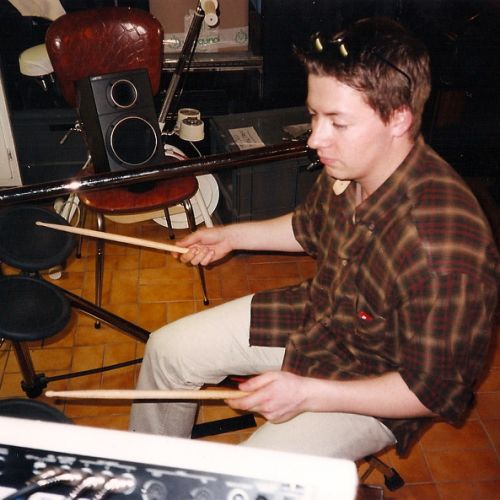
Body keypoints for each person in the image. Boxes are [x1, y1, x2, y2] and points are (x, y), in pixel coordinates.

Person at [129, 16, 499, 460]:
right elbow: (309, 226)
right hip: (321, 317)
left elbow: (431, 392)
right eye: (313, 115)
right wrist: (230, 235)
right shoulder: (353, 165)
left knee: (248, 473)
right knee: (166, 351)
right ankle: (152, 474)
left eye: (337, 122)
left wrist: (307, 394)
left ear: (398, 118)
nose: (315, 140)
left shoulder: (448, 249)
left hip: (379, 381)